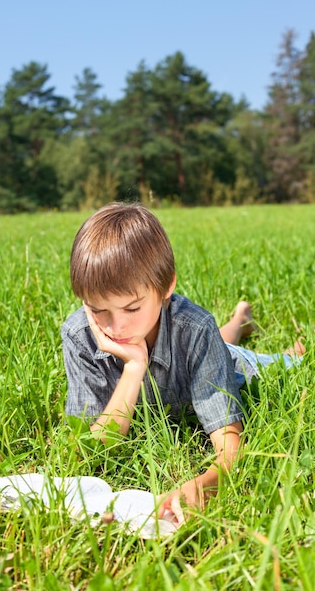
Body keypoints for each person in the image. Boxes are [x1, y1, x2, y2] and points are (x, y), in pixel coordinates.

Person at [61, 202, 305, 526]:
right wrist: (134, 368)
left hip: (230, 362)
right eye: (98, 310)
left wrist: (206, 484)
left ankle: (286, 349)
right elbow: (90, 453)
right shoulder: (79, 335)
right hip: (197, 344)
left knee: (274, 363)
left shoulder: (196, 328)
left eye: (132, 309)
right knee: (213, 337)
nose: (115, 327)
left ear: (166, 287)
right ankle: (239, 320)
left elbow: (230, 447)